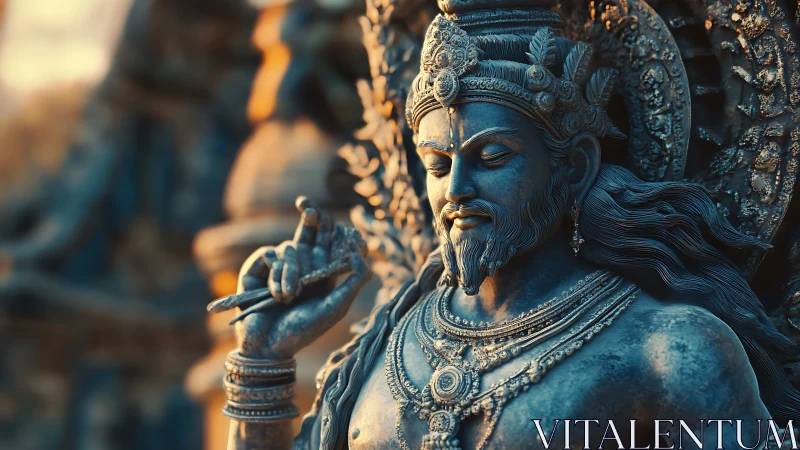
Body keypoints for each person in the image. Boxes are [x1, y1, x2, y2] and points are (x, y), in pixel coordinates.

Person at [217, 0, 800, 448]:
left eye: (493, 157)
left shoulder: (670, 351)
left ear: (573, 167)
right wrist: (263, 359)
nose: (457, 189)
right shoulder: (386, 346)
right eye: (437, 164)